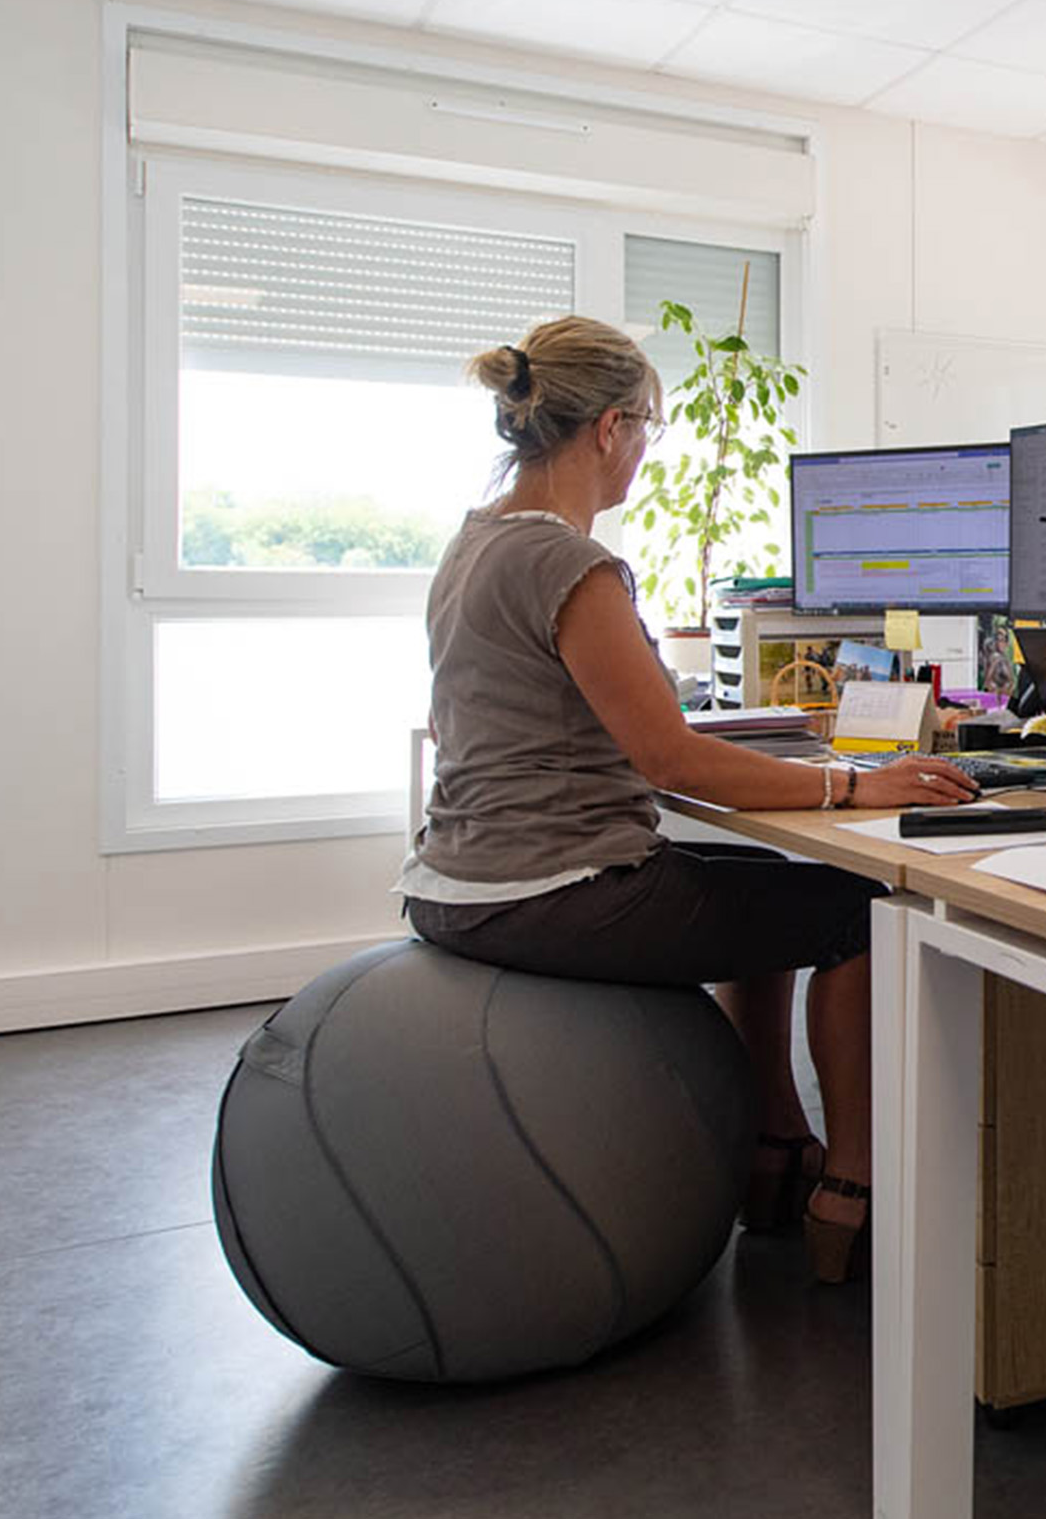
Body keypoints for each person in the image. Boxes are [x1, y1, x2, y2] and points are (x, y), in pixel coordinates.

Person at [397, 315, 977, 1284]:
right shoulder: (569, 562)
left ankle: (773, 1147)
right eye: (651, 432)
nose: (643, 455)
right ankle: (853, 1191)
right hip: (552, 890)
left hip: (457, 879)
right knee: (860, 914)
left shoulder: (475, 543)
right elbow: (670, 760)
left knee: (764, 886)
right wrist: (853, 784)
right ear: (614, 428)